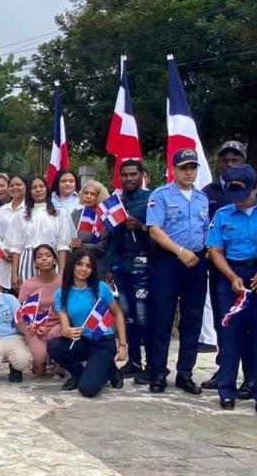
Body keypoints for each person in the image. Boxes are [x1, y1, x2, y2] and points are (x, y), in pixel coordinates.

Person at [206, 164, 257, 412]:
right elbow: (215, 250)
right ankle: (226, 390)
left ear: (256, 188)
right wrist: (232, 277)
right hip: (231, 276)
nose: (238, 201)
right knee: (229, 335)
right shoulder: (224, 214)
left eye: (243, 195)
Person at [145, 148, 210, 394]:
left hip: (196, 261)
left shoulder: (202, 199)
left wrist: (197, 253)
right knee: (162, 318)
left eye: (192, 167)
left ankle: (185, 372)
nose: (189, 172)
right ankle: (158, 371)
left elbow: (205, 230)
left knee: (192, 319)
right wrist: (180, 251)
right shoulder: (161, 195)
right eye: (184, 168)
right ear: (174, 169)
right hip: (169, 261)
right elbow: (155, 230)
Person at [200, 141, 252, 390]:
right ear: (218, 162)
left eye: (236, 159)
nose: (230, 164)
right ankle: (225, 370)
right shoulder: (208, 192)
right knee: (225, 321)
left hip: (251, 266)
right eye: (225, 159)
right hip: (219, 265)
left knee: (252, 325)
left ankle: (252, 375)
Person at [47, 248, 127, 397]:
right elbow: (64, 326)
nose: (84, 269)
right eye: (80, 264)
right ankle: (80, 373)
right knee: (54, 345)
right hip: (82, 341)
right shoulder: (61, 293)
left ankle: (107, 367)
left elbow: (117, 314)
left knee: (87, 390)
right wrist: (67, 331)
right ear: (72, 266)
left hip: (102, 342)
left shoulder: (101, 288)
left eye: (88, 266)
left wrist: (122, 344)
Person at [104, 160, 152, 381]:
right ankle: (133, 361)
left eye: (133, 174)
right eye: (125, 175)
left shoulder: (151, 199)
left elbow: (158, 233)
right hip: (120, 265)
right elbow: (111, 238)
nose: (129, 178)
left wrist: (141, 227)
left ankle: (152, 364)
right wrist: (109, 267)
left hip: (143, 263)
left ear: (142, 175)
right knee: (127, 315)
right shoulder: (116, 202)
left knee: (144, 317)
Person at [9, 175, 75, 291]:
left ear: (47, 189)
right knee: (29, 299)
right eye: (34, 187)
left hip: (51, 259)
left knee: (52, 297)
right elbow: (16, 247)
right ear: (29, 191)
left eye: (41, 186)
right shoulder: (21, 215)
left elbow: (62, 246)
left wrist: (62, 270)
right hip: (28, 260)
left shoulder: (59, 214)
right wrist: (14, 273)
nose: (38, 190)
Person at [18, 245, 63, 377]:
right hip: (35, 327)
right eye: (39, 256)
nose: (44, 259)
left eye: (48, 255)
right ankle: (38, 363)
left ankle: (60, 362)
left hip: (59, 326)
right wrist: (31, 327)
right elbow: (21, 313)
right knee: (39, 362)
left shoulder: (64, 281)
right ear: (34, 262)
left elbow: (70, 308)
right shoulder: (28, 284)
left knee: (56, 337)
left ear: (54, 260)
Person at [0, 174, 26, 293]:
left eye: (19, 185)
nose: (15, 187)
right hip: (4, 260)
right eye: (12, 185)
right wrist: (2, 250)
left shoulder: (30, 210)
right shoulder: (1, 211)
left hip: (25, 259)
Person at [70, 179, 110, 275]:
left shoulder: (105, 216)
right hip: (76, 261)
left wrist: (83, 246)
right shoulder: (75, 213)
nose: (88, 196)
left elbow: (104, 245)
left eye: (93, 194)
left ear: (99, 196)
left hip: (97, 264)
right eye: (86, 193)